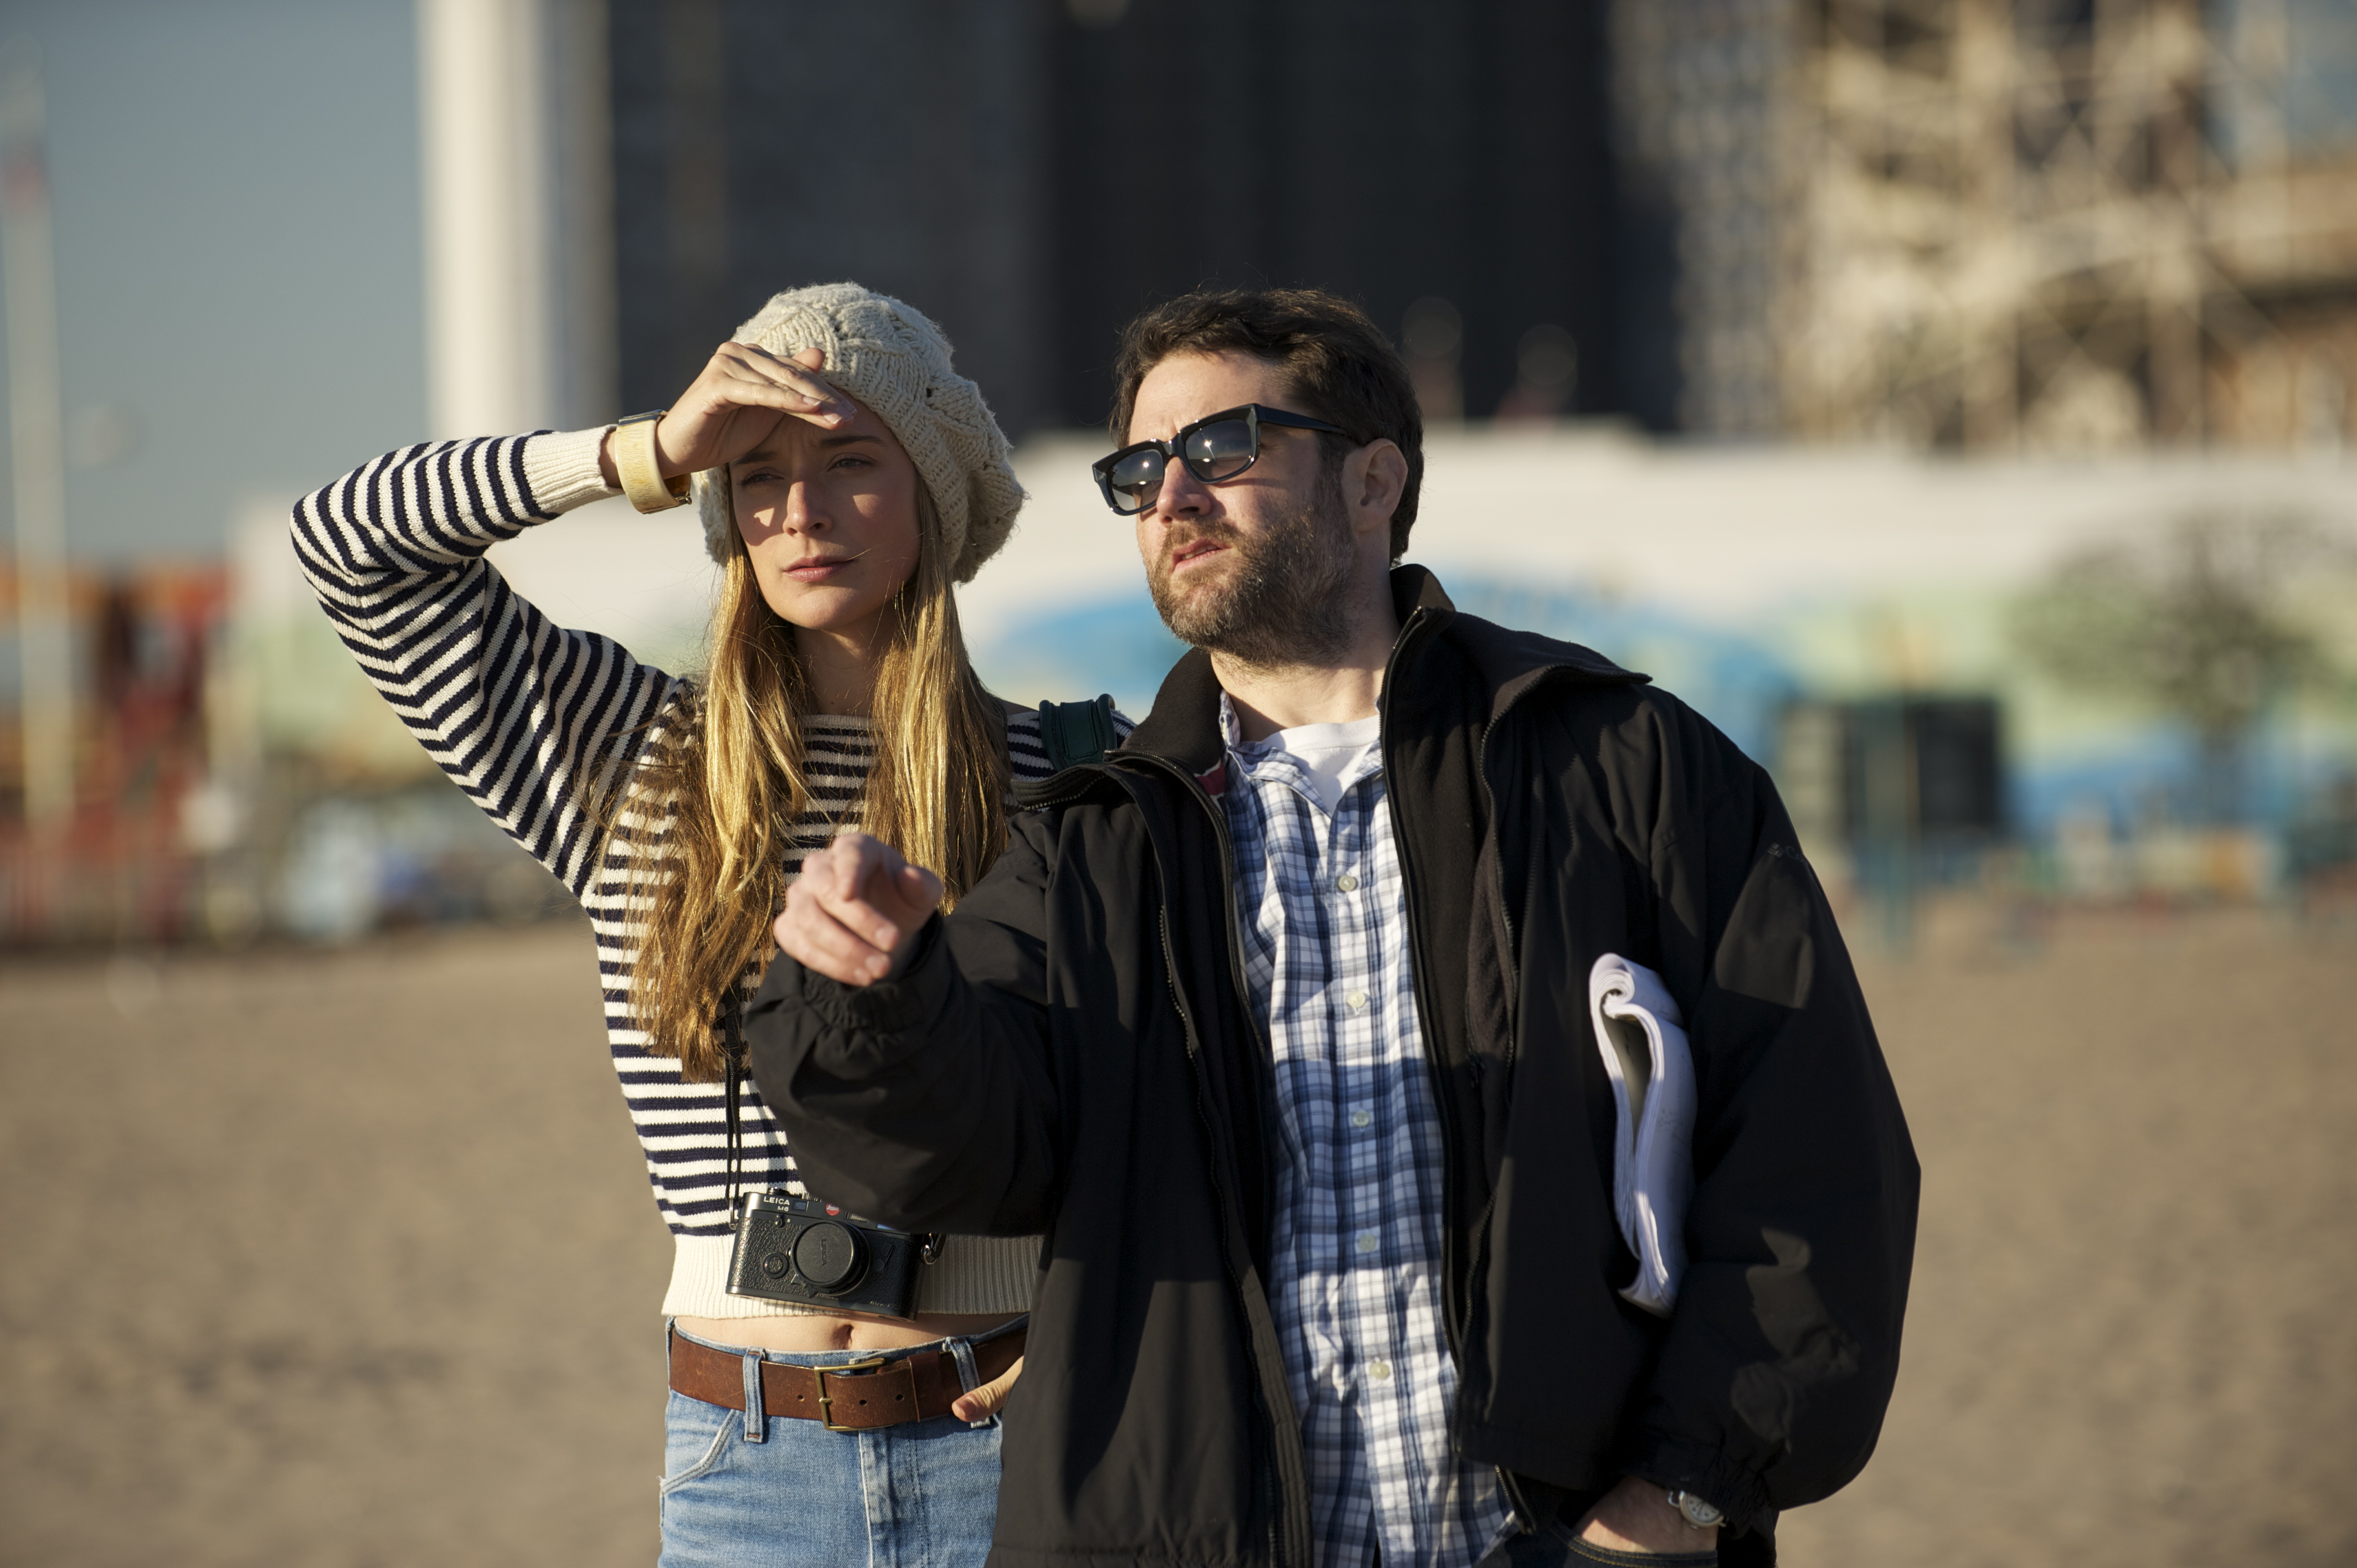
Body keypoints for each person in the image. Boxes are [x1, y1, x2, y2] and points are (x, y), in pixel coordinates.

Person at [745, 287, 1921, 1568]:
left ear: (1373, 483)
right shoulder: (1090, 841)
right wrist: (876, 1001)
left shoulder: (1625, 770)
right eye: (1140, 469)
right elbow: (961, 1166)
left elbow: (1817, 1168)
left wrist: (1673, 1506)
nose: (1171, 498)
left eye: (1221, 450)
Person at [293, 282, 1120, 1567]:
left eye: (852, 462)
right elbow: (349, 541)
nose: (799, 509)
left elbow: (1179, 1107)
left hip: (1014, 1443)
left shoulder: (1072, 777)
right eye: (756, 472)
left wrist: (1094, 1321)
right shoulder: (623, 753)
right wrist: (646, 452)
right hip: (746, 1464)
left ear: (933, 495)